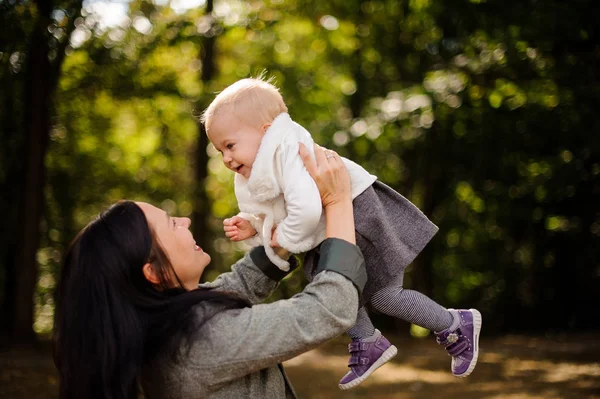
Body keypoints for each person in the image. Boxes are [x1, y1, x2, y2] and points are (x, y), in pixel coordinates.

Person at [202, 76, 482, 390]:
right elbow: (280, 208)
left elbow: (305, 209)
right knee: (340, 284)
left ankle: (453, 324)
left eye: (230, 145)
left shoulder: (286, 148)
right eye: (219, 150)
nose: (226, 157)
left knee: (379, 293)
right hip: (327, 225)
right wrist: (256, 225)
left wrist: (285, 238)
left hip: (356, 210)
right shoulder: (262, 162)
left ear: (266, 130)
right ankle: (370, 340)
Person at [53, 144, 368, 398]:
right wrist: (336, 199)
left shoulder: (164, 324)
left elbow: (234, 287)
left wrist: (280, 243)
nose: (185, 222)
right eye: (171, 224)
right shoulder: (198, 347)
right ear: (153, 272)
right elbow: (326, 310)